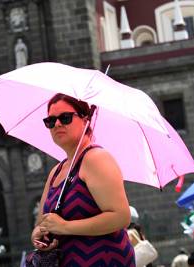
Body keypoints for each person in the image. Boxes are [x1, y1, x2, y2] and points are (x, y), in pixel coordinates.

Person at [31, 93, 135, 266]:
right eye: (50, 121)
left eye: (65, 118)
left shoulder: (96, 158)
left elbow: (121, 217)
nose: (57, 124)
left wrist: (64, 227)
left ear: (85, 119)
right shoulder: (56, 171)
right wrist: (39, 233)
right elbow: (44, 221)